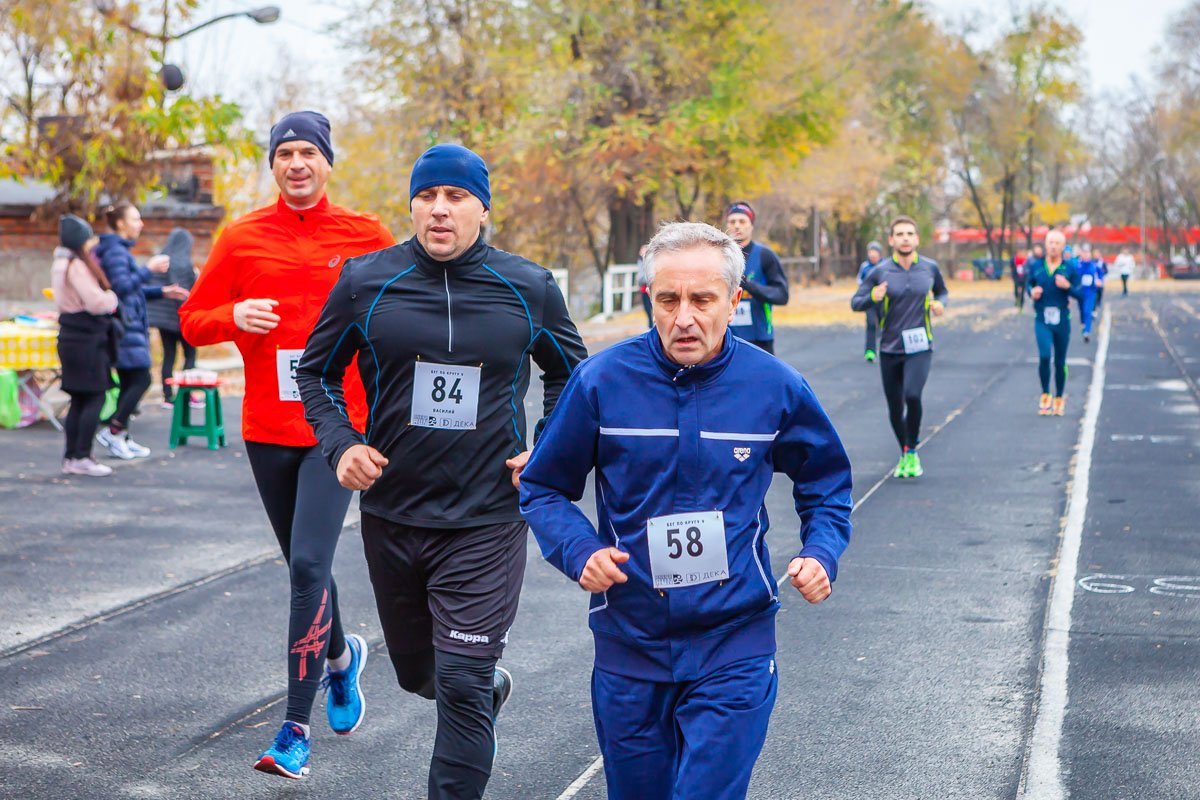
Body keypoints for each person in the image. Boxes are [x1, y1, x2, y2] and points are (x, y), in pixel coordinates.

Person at [518, 221, 852, 800]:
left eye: (702, 300)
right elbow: (543, 486)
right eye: (669, 300)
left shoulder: (774, 386)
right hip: (630, 641)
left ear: (734, 301)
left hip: (735, 639)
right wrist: (581, 551)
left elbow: (826, 482)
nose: (684, 318)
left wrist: (821, 552)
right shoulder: (601, 382)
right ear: (649, 297)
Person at [296, 143, 587, 800]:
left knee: (459, 682)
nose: (439, 209)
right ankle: (483, 687)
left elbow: (573, 375)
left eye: (456, 197)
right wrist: (341, 445)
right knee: (419, 675)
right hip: (393, 514)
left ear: (483, 208)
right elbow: (315, 373)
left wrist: (547, 447)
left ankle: (474, 691)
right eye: (426, 196)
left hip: (488, 517)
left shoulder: (529, 287)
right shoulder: (366, 281)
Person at [180, 111, 396, 779]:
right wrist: (232, 315)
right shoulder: (242, 237)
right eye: (285, 153)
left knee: (306, 565)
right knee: (308, 567)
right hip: (268, 429)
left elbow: (404, 312)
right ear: (273, 164)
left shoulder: (366, 234)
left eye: (308, 152)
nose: (297, 163)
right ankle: (342, 658)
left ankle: (294, 731)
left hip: (338, 430)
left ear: (327, 162)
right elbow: (191, 320)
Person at [851, 215, 947, 478]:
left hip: (919, 346)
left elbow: (942, 291)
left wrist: (941, 304)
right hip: (890, 348)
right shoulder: (880, 271)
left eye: (910, 234)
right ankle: (904, 450)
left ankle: (912, 451)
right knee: (895, 407)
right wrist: (872, 296)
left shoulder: (929, 268)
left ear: (917, 239)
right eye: (900, 234)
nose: (905, 238)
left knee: (912, 396)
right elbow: (856, 302)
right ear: (891, 240)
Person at [95, 202, 188, 459]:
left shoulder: (120, 250)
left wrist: (162, 292)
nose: (141, 224)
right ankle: (113, 430)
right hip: (126, 327)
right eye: (135, 219)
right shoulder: (115, 251)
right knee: (141, 379)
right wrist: (149, 270)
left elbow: (132, 289)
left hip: (131, 326)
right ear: (121, 223)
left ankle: (121, 435)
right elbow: (122, 288)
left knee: (130, 382)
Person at [51, 215, 120, 477]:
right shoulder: (77, 265)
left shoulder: (59, 263)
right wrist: (112, 298)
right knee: (95, 396)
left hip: (70, 335)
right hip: (87, 337)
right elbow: (95, 302)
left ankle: (72, 457)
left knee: (79, 399)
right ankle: (82, 456)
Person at [1026, 230, 1082, 416]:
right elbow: (1028, 284)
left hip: (1062, 319)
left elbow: (1081, 293)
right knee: (1044, 356)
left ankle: (1059, 396)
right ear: (1045, 244)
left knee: (1059, 361)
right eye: (1051, 242)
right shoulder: (1036, 266)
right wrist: (1031, 292)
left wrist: (1068, 287)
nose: (1053, 246)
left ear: (1063, 246)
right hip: (1042, 317)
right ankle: (1045, 394)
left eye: (1057, 243)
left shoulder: (1070, 268)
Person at [724, 201, 788, 354]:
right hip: (725, 339)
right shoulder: (719, 256)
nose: (737, 226)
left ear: (751, 225)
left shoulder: (764, 255)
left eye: (742, 221)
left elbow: (781, 295)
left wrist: (749, 285)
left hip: (759, 339)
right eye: (732, 222)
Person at [145, 228, 199, 408]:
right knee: (190, 355)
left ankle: (167, 397)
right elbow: (192, 292)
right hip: (183, 319)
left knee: (169, 355)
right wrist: (196, 275)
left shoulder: (161, 262)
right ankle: (186, 394)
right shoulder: (186, 265)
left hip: (165, 322)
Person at [857, 241, 884, 361]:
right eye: (870, 252)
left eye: (875, 252)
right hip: (869, 300)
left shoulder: (885, 265)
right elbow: (859, 281)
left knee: (885, 325)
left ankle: (885, 348)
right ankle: (870, 351)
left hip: (883, 300)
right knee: (871, 324)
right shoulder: (865, 266)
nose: (872, 255)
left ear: (879, 254)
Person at [1075, 246, 1100, 343]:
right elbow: (1074, 277)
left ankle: (1087, 332)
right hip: (1080, 292)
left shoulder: (1094, 266)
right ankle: (1084, 325)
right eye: (1084, 253)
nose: (1086, 255)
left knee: (1087, 311)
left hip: (1091, 292)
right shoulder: (1078, 265)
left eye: (1087, 253)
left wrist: (1099, 282)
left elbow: (1100, 276)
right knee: (1082, 311)